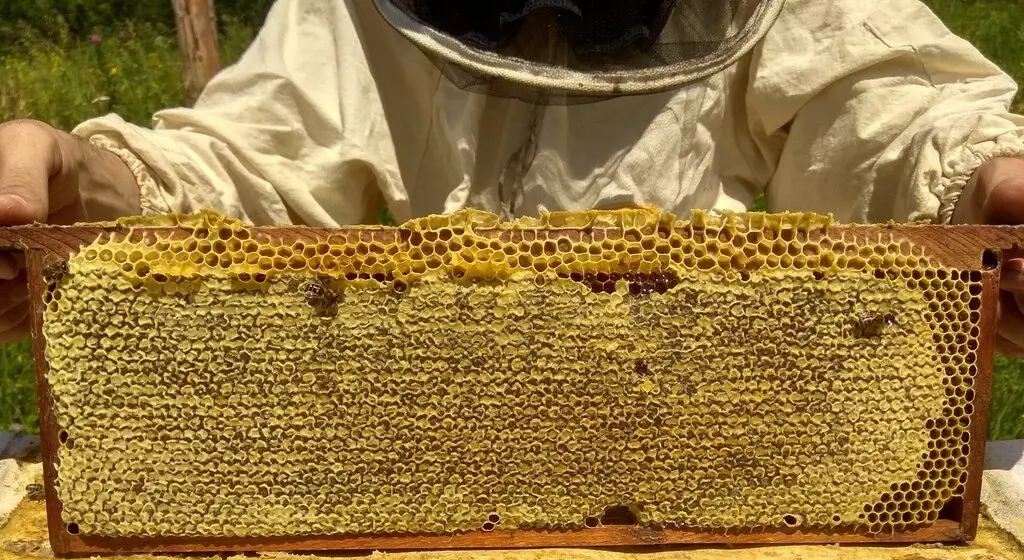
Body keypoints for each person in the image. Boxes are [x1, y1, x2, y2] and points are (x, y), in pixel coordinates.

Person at [2, 0, 1024, 352]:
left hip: (699, 425)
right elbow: (259, 163)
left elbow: (878, 109)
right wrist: (87, 187)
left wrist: (981, 180)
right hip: (408, 439)